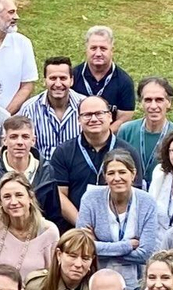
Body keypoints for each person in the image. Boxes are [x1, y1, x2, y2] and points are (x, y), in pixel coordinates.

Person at [76, 149, 165, 286]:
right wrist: (127, 246)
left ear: (133, 174)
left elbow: (146, 254)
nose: (117, 178)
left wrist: (99, 247)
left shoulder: (147, 202)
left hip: (135, 283)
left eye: (122, 172)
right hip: (95, 279)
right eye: (111, 173)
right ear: (105, 177)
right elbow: (82, 246)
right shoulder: (90, 198)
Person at [52, 97, 125, 227]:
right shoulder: (63, 152)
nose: (94, 119)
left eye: (99, 113)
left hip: (118, 227)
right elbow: (60, 195)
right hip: (74, 228)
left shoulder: (127, 152)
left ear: (110, 117)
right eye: (87, 115)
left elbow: (133, 194)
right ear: (79, 119)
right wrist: (83, 225)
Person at [0, 173, 59, 275]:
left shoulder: (49, 232)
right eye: (7, 197)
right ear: (0, 202)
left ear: (30, 198)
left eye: (19, 195)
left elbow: (54, 275)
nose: (13, 202)